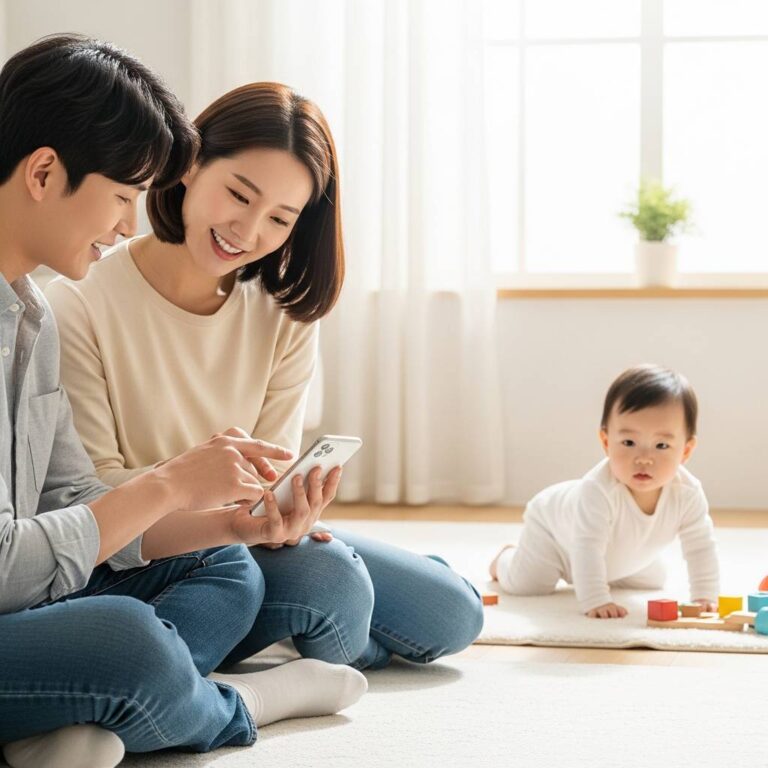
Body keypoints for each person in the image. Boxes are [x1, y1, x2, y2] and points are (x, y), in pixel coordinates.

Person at [0, 35, 365, 768]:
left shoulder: (29, 315)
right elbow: (9, 559)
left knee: (226, 564)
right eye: (122, 196)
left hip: (38, 589)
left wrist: (232, 522)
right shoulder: (75, 304)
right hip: (21, 587)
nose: (129, 224)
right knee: (126, 643)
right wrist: (168, 485)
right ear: (43, 172)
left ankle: (69, 713)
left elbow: (69, 496)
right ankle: (235, 703)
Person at [46, 81, 485, 673]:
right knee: (333, 582)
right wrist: (214, 497)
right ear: (190, 164)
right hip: (152, 552)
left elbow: (270, 473)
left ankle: (318, 627)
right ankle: (315, 633)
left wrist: (287, 507)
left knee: (456, 614)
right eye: (239, 194)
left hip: (246, 533)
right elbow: (95, 490)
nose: (248, 232)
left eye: (280, 218)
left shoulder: (283, 312)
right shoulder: (78, 301)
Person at [488, 364, 719, 618]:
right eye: (629, 442)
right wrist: (596, 599)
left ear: (685, 450)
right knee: (528, 585)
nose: (644, 458)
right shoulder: (598, 490)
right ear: (606, 442)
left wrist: (705, 595)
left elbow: (700, 547)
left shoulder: (688, 493)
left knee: (654, 579)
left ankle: (608, 569)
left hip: (612, 553)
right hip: (554, 534)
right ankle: (505, 558)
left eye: (661, 445)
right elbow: (586, 547)